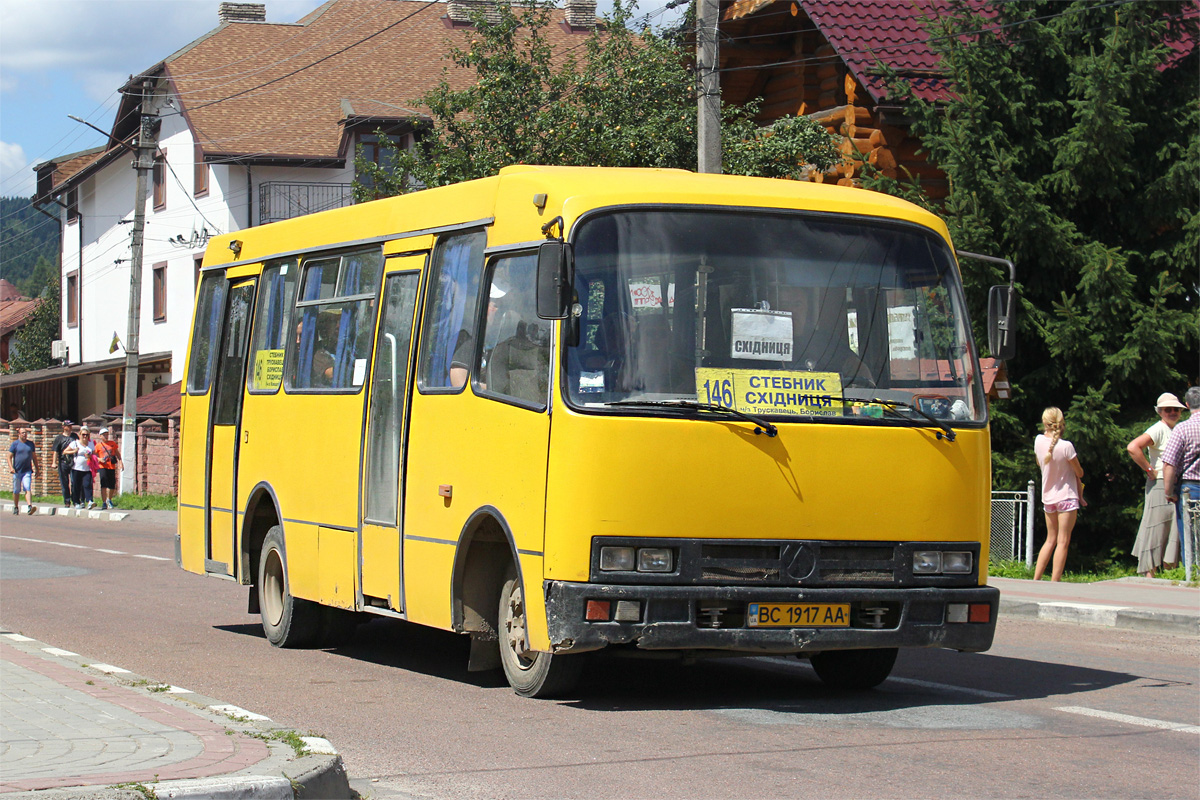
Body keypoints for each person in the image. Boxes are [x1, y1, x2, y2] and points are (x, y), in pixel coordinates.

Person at [1126, 393, 1185, 577]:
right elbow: (1133, 447)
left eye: (1176, 409)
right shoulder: (1158, 429)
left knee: (1172, 528)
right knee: (1155, 527)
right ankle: (1149, 574)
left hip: (1172, 482)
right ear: (1160, 412)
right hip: (1160, 483)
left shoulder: (1176, 429)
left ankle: (1169, 572)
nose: (1173, 412)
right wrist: (1150, 470)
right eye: (1168, 409)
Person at [1033, 407, 1085, 581]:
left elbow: (1041, 463)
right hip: (1067, 497)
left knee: (1050, 539)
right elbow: (1079, 472)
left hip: (1048, 497)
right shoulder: (1066, 446)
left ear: (1044, 423)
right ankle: (1055, 581)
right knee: (1063, 541)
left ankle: (1036, 578)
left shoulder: (1038, 441)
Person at [1163, 386, 1200, 568]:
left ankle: (1192, 574)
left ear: (1186, 405)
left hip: (1190, 489)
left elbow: (1169, 464)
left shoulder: (1182, 429)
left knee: (1190, 535)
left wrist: (1169, 491)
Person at [8, 426, 39, 515]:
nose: (25, 434)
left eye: (26, 433)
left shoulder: (30, 444)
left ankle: (30, 506)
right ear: (19, 434)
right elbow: (9, 456)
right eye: (23, 433)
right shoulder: (15, 444)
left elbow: (34, 457)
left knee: (27, 487)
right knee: (16, 490)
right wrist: (11, 467)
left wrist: (37, 468)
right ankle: (16, 507)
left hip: (27, 470)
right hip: (17, 471)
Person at [64, 426, 96, 510]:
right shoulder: (75, 443)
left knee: (87, 485)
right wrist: (74, 451)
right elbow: (65, 451)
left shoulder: (91, 443)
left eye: (86, 435)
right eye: (83, 434)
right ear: (80, 435)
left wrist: (90, 455)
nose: (85, 436)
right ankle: (76, 502)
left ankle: (89, 501)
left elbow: (95, 453)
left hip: (87, 468)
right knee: (76, 486)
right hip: (76, 468)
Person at [95, 427, 124, 510]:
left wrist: (121, 462)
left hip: (111, 466)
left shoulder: (112, 443)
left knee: (112, 484)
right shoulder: (98, 446)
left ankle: (109, 499)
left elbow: (117, 454)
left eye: (107, 434)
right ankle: (104, 502)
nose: (105, 436)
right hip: (102, 466)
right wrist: (99, 459)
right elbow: (93, 456)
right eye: (104, 435)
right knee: (103, 483)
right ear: (100, 436)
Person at [51, 421, 77, 507]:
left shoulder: (74, 436)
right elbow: (55, 451)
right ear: (64, 427)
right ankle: (67, 500)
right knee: (65, 482)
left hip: (74, 462)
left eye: (70, 426)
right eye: (68, 426)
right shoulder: (59, 438)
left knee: (74, 481)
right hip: (63, 462)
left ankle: (75, 499)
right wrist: (54, 462)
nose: (70, 427)